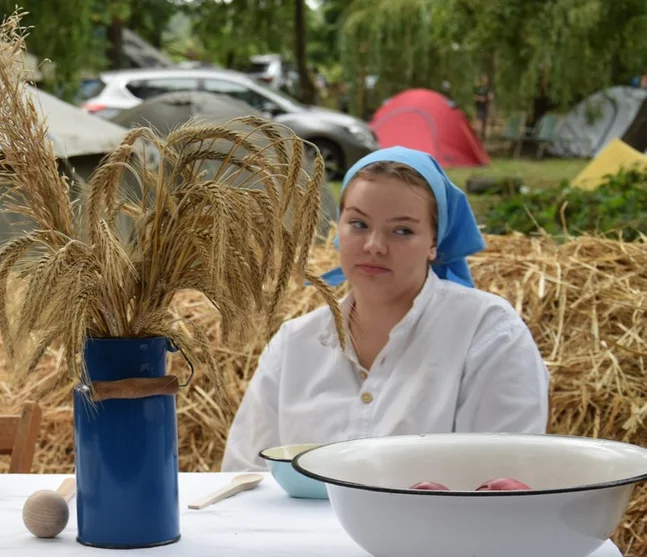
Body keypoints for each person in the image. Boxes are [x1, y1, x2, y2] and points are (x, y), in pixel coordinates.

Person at [221, 146, 550, 472]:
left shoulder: (488, 334)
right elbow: (244, 475)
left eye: (402, 231)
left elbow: (504, 479)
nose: (374, 246)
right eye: (359, 224)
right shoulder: (294, 345)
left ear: (434, 243)